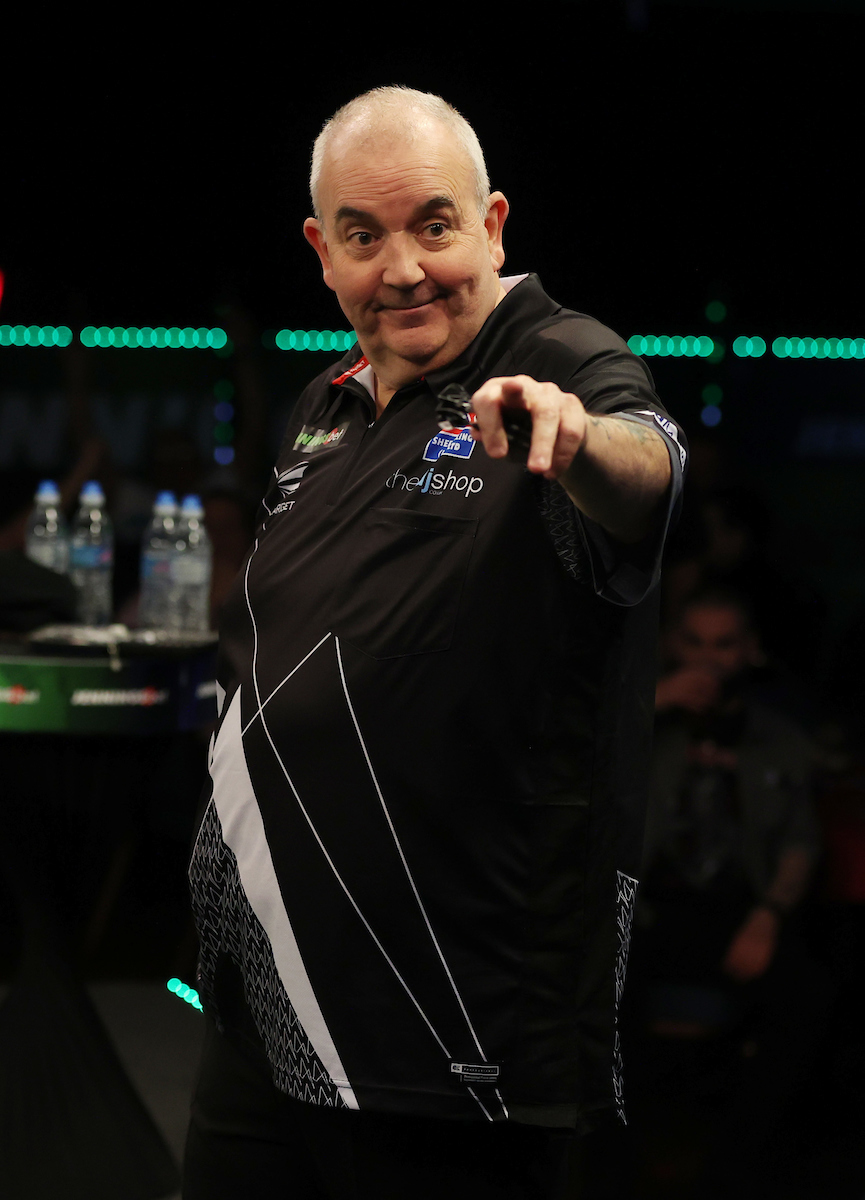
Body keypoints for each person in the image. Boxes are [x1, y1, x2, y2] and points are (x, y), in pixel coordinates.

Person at [183, 86, 687, 1200]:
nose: (403, 269)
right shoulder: (323, 404)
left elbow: (649, 464)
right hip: (266, 1000)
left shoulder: (561, 355)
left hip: (447, 1031)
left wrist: (581, 442)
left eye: (434, 225)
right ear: (322, 252)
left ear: (493, 225)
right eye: (363, 236)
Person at [627, 588, 825, 1196]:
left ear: (750, 650)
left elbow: (800, 841)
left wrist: (769, 914)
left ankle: (728, 1170)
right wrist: (652, 702)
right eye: (694, 642)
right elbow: (560, 756)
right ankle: (624, 1161)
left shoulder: (780, 738)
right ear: (671, 645)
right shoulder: (635, 720)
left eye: (724, 644)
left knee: (808, 998)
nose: (708, 658)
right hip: (645, 912)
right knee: (588, 987)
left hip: (738, 911)